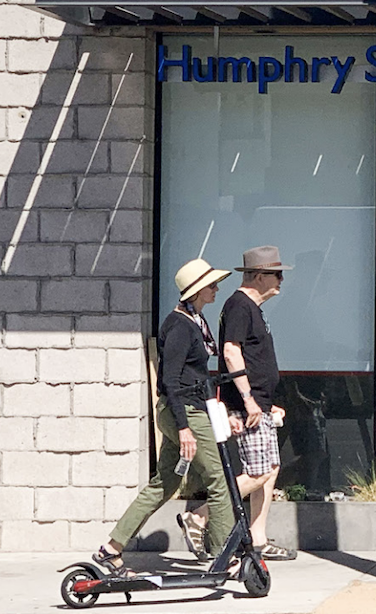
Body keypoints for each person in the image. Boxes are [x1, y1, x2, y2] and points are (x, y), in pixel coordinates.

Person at [92, 258, 235, 576]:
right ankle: (224, 554)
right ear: (197, 291)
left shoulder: (194, 321)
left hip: (189, 409)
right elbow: (170, 380)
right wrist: (184, 428)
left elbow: (196, 376)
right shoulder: (180, 326)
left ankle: (111, 549)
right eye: (211, 285)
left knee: (164, 484)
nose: (216, 289)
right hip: (183, 411)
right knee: (218, 480)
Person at [181, 245, 297, 562]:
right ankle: (200, 514)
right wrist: (248, 400)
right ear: (258, 276)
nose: (281, 281)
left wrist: (266, 401)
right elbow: (231, 353)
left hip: (258, 404)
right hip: (248, 407)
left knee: (270, 471)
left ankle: (258, 538)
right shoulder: (239, 306)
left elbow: (254, 358)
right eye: (277, 274)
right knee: (260, 472)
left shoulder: (251, 308)